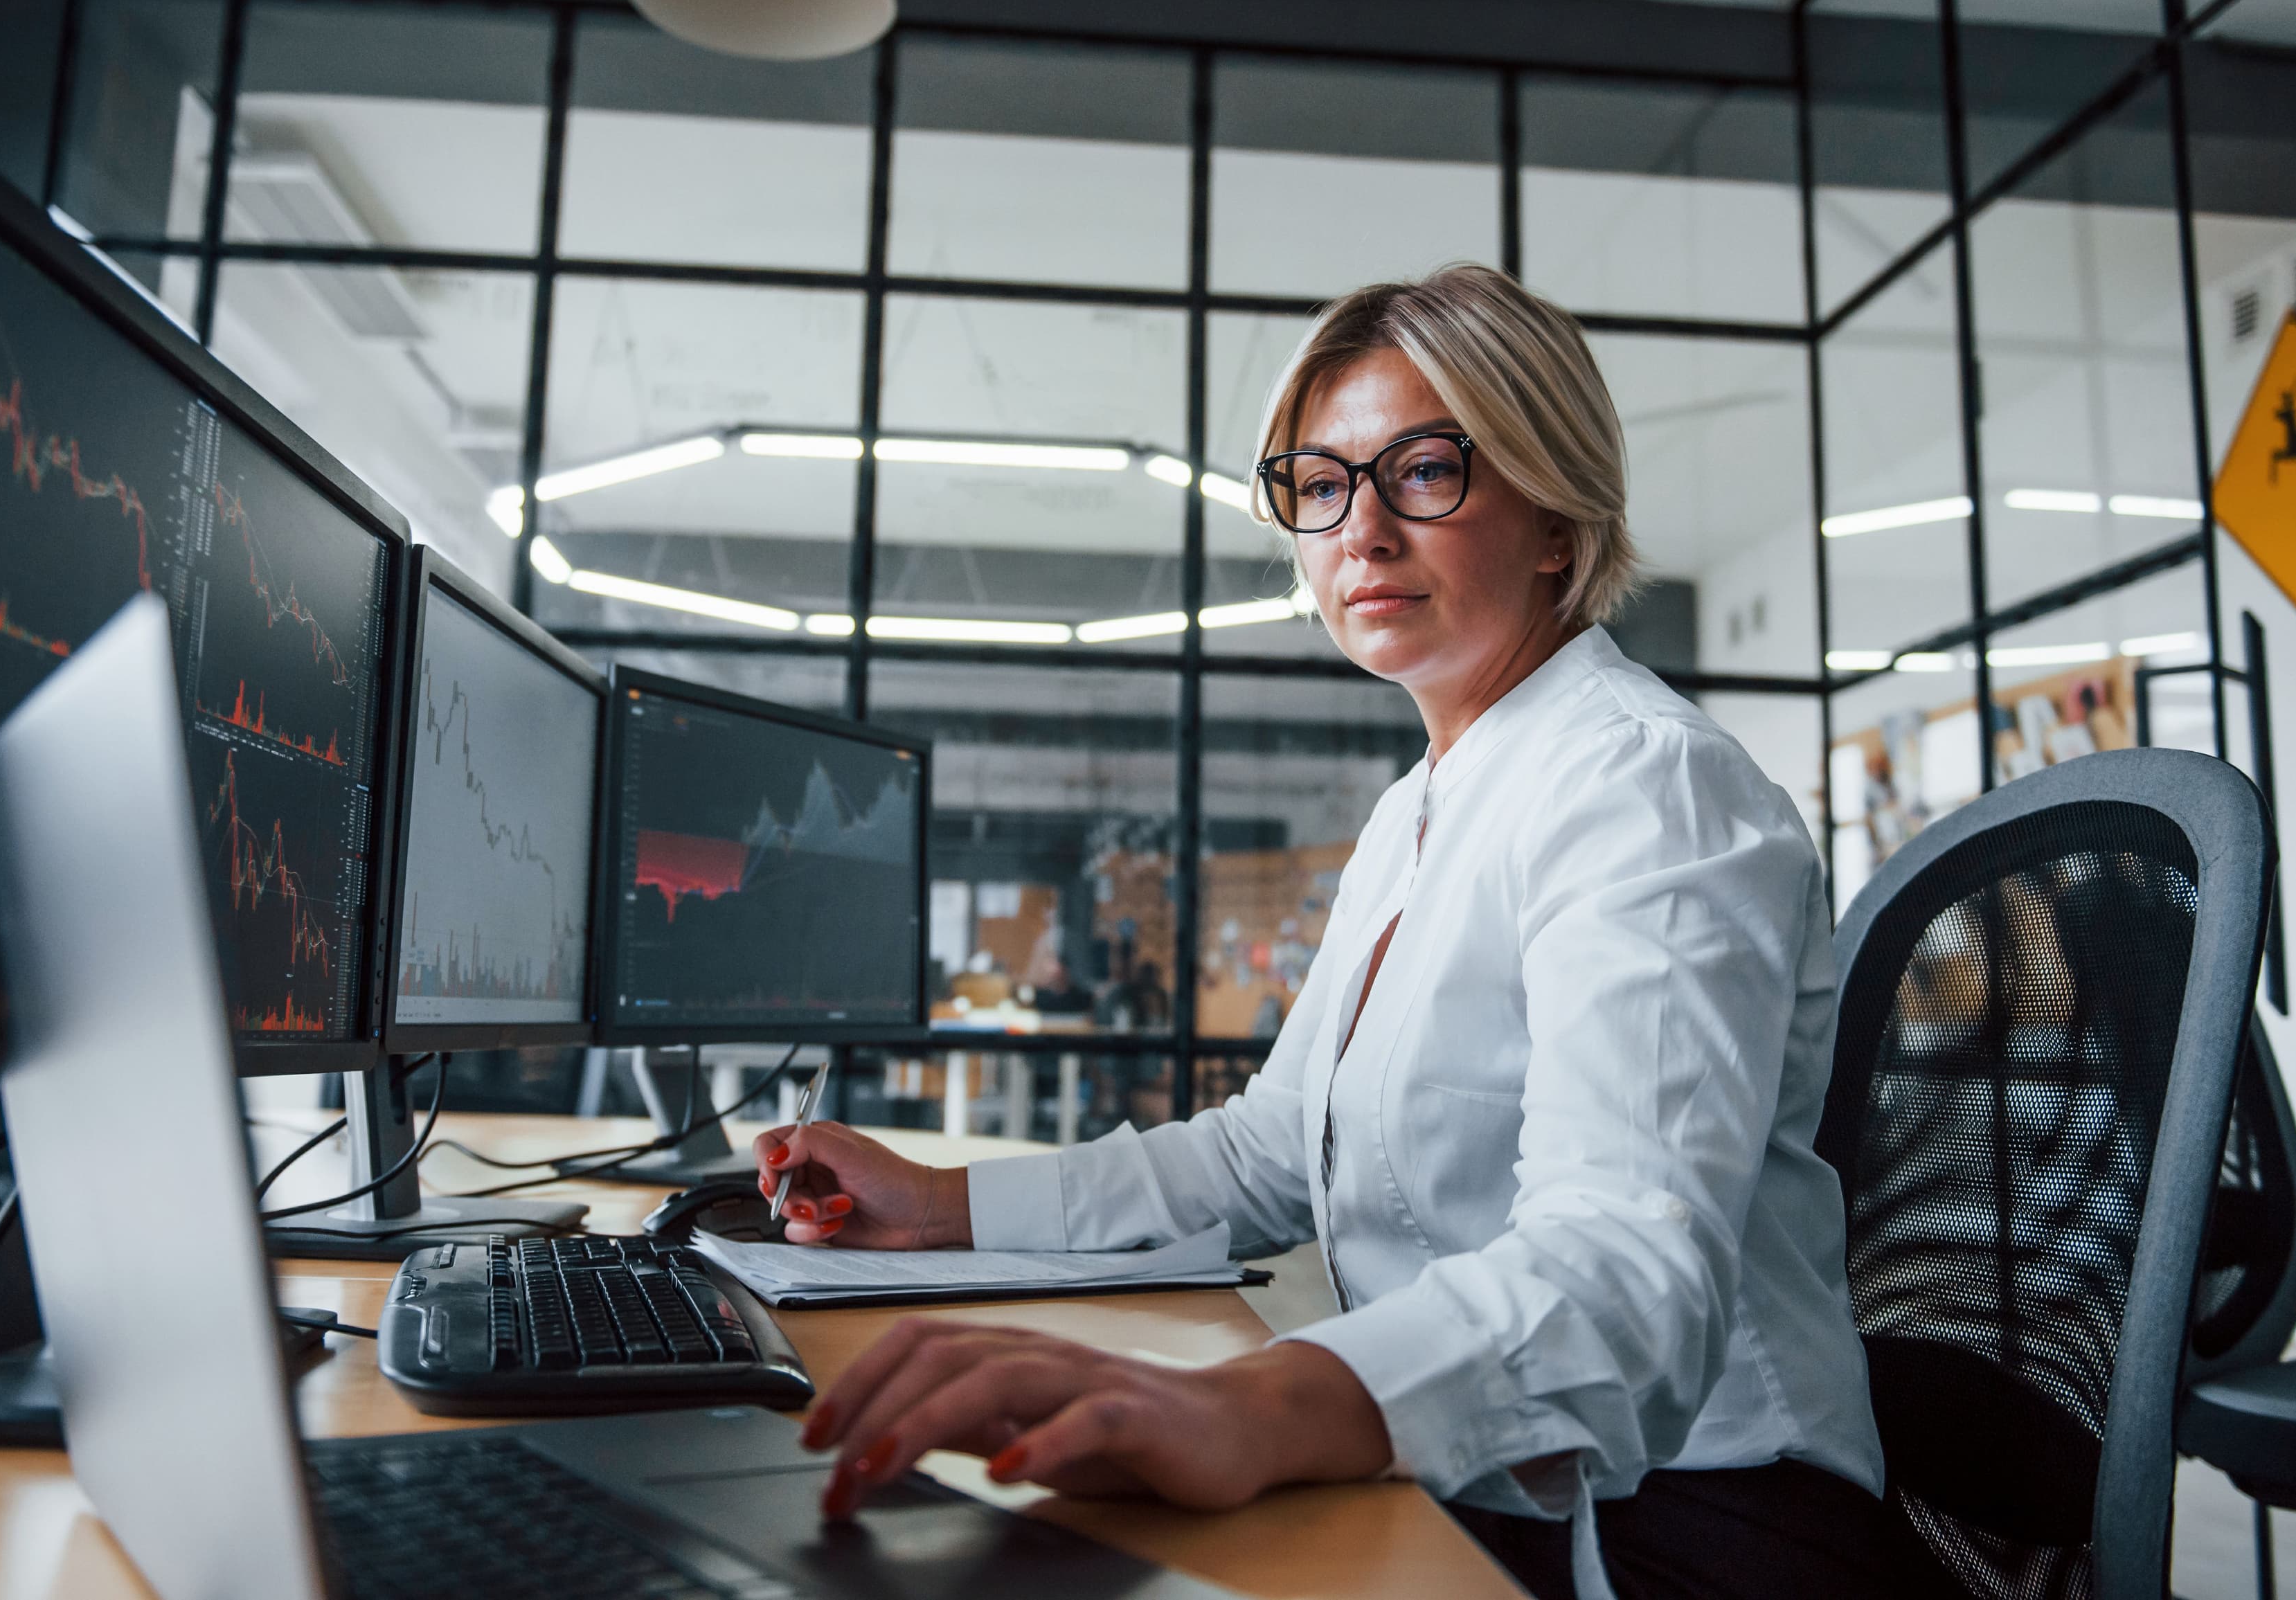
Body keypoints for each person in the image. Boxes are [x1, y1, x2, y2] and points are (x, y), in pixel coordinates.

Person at [753, 265, 1953, 1600]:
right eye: (1321, 485)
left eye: (1425, 470)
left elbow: (1626, 1270)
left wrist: (1249, 1408)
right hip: (1470, 1465)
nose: (1361, 530)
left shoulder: (1644, 783)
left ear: (1557, 522)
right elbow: (1268, 1153)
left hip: (1689, 1512)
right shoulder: (1415, 814)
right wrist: (943, 1203)